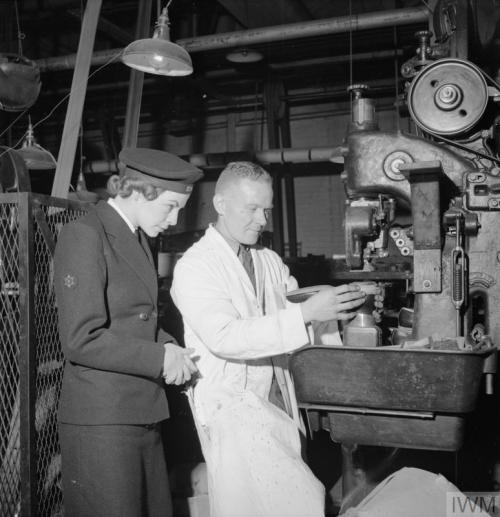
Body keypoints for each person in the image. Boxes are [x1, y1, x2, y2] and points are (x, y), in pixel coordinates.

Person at [171, 161, 366, 517]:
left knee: (290, 501)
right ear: (220, 204)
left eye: (267, 209)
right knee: (257, 505)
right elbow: (225, 337)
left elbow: (299, 312)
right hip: (233, 407)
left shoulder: (269, 260)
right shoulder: (195, 267)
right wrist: (309, 314)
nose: (262, 220)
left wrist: (339, 307)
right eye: (252, 209)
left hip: (278, 399)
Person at [53, 147, 203, 517]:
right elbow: (80, 339)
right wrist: (159, 358)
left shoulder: (136, 238)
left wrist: (173, 350)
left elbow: (139, 319)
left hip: (138, 410)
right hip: (103, 421)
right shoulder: (85, 234)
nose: (174, 220)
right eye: (170, 207)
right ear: (137, 192)